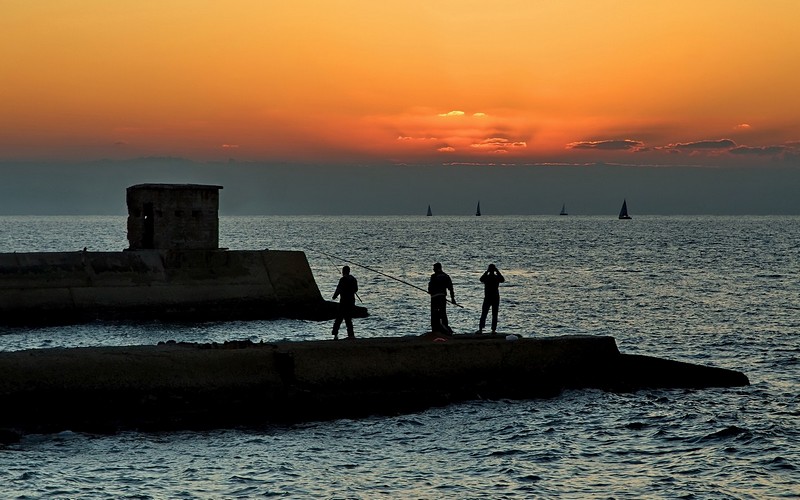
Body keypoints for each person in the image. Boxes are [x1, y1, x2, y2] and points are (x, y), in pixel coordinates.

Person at [428, 262, 456, 335]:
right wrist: (453, 298)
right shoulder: (446, 276)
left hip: (434, 298)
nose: (433, 269)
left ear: (437, 268)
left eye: (434, 268)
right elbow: (451, 288)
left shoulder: (433, 277)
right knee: (443, 313)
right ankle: (445, 328)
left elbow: (430, 288)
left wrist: (430, 291)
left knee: (434, 314)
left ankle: (435, 330)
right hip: (442, 297)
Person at [332, 266, 358, 340]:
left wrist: (334, 296)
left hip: (344, 301)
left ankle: (335, 334)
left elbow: (339, 289)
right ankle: (351, 335)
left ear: (343, 271)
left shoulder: (343, 279)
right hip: (351, 301)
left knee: (339, 318)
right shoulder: (353, 279)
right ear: (349, 271)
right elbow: (356, 289)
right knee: (348, 319)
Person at [478, 263, 505, 334]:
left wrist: (487, 271)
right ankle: (493, 329)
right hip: (494, 297)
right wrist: (497, 271)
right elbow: (502, 279)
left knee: (484, 313)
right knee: (494, 314)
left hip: (488, 297)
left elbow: (481, 279)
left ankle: (481, 329)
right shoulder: (496, 277)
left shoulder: (487, 277)